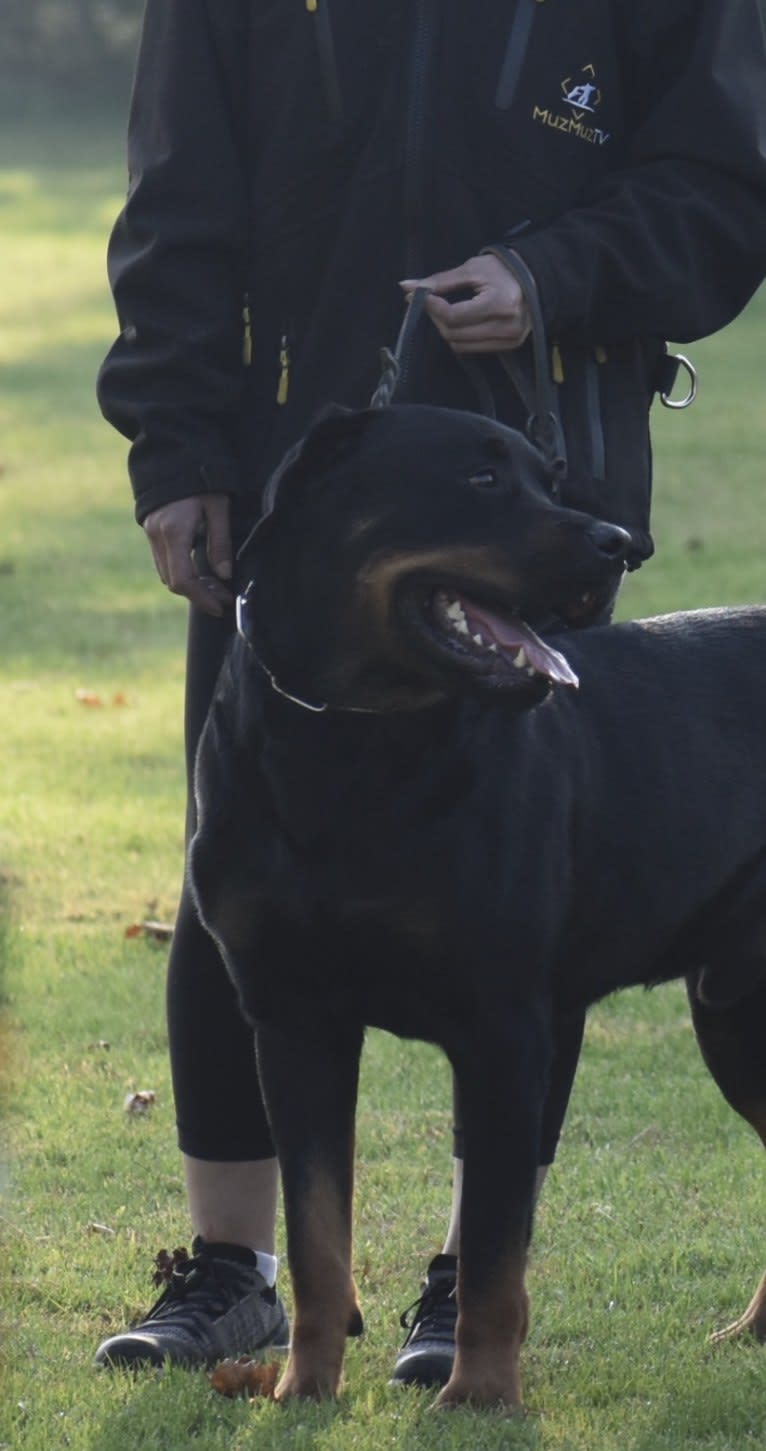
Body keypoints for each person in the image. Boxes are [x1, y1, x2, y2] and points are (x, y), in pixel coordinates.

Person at [94, 0, 766, 1385]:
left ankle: (466, 1291)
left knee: (526, 901)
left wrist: (553, 274)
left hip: (529, 485)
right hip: (293, 497)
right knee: (249, 878)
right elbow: (177, 192)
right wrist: (175, 448)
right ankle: (233, 1275)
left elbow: (721, 184)